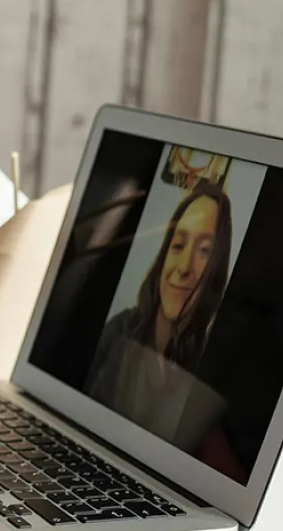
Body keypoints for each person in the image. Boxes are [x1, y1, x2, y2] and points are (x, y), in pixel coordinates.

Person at [86, 182, 233, 450]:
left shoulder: (209, 370)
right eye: (178, 245)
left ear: (217, 270)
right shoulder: (119, 332)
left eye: (204, 251)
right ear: (165, 253)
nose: (184, 268)